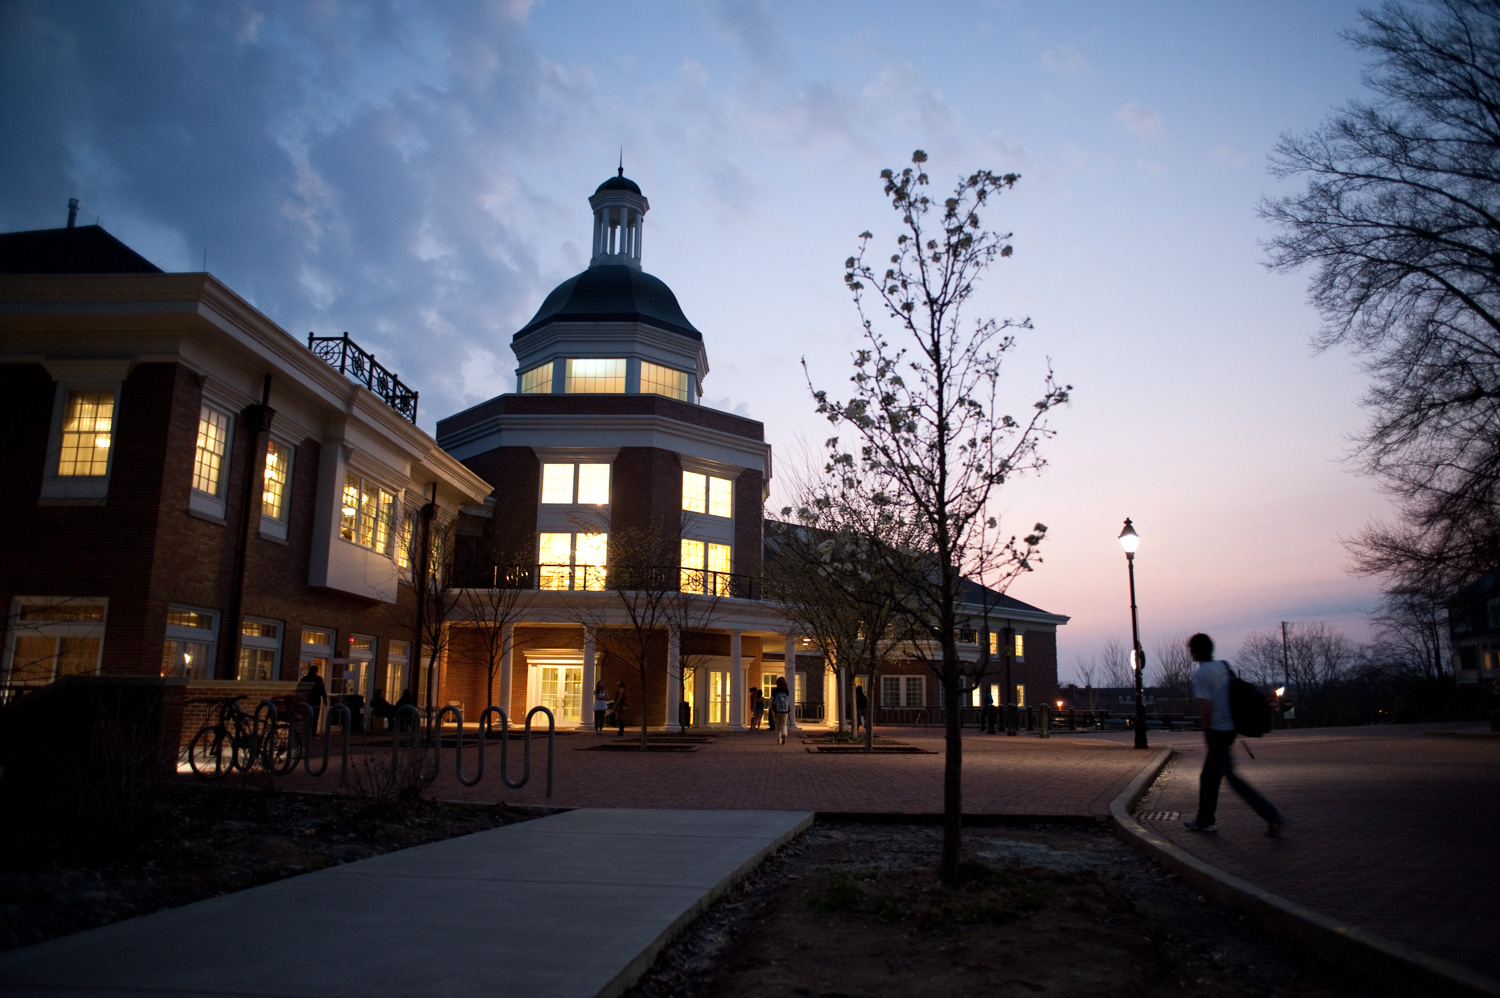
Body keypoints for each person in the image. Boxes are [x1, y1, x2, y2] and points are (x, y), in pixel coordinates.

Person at [1185, 633, 1286, 836]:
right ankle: (1205, 819)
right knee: (1210, 777)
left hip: (1217, 732)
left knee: (1231, 779)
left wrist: (1206, 731)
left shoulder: (1202, 673)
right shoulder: (1222, 666)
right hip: (1229, 729)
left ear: (1195, 651)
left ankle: (1272, 814)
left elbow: (1206, 707)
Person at [297, 664, 327, 732]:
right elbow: (322, 690)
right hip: (316, 699)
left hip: (307, 698)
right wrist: (325, 700)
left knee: (306, 715)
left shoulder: (305, 678)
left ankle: (305, 729)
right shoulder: (319, 679)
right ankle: (313, 731)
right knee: (315, 716)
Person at [770, 676, 791, 745]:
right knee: (784, 724)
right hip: (784, 710)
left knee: (777, 725)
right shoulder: (786, 690)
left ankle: (778, 741)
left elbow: (771, 700)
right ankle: (784, 733)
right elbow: (787, 700)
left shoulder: (775, 690)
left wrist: (770, 708)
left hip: (776, 710)